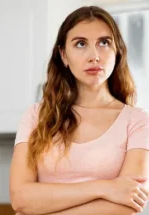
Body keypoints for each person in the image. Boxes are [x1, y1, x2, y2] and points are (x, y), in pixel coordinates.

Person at [9, 6, 149, 215]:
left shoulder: (137, 121)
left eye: (104, 43)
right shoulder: (35, 116)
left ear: (117, 51)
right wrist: (106, 187)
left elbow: (127, 205)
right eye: (81, 44)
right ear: (64, 56)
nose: (94, 56)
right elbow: (20, 198)